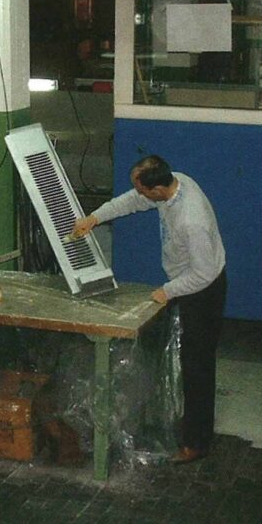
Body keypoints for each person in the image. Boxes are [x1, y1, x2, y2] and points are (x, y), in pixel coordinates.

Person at [72, 154, 227, 464]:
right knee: (182, 359)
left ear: (157, 189)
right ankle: (180, 423)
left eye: (142, 188)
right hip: (186, 281)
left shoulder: (190, 218)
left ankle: (197, 442)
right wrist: (95, 218)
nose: (138, 193)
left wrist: (166, 292)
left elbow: (204, 273)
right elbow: (131, 201)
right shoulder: (173, 183)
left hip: (202, 290)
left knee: (197, 367)